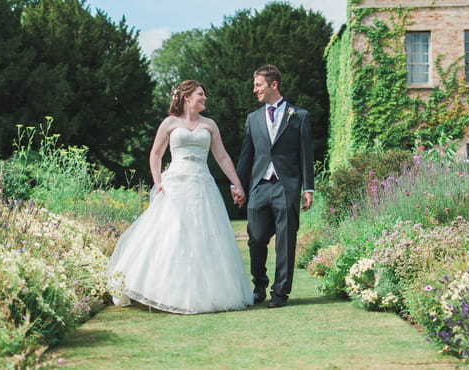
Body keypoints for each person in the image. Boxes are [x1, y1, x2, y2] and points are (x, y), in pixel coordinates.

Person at [106, 80, 254, 314]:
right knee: (171, 235)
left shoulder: (210, 125)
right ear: (186, 97)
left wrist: (237, 184)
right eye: (200, 94)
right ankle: (158, 289)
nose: (204, 98)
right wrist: (158, 182)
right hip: (175, 184)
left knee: (204, 237)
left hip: (203, 185)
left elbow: (223, 157)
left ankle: (206, 293)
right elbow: (155, 154)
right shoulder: (170, 123)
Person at [233, 64, 314, 309]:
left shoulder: (299, 116)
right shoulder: (253, 118)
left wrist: (308, 188)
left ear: (273, 85)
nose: (254, 89)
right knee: (256, 238)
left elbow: (305, 154)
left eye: (258, 85)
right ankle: (259, 286)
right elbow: (247, 155)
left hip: (286, 186)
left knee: (285, 243)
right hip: (259, 186)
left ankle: (280, 292)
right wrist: (238, 185)